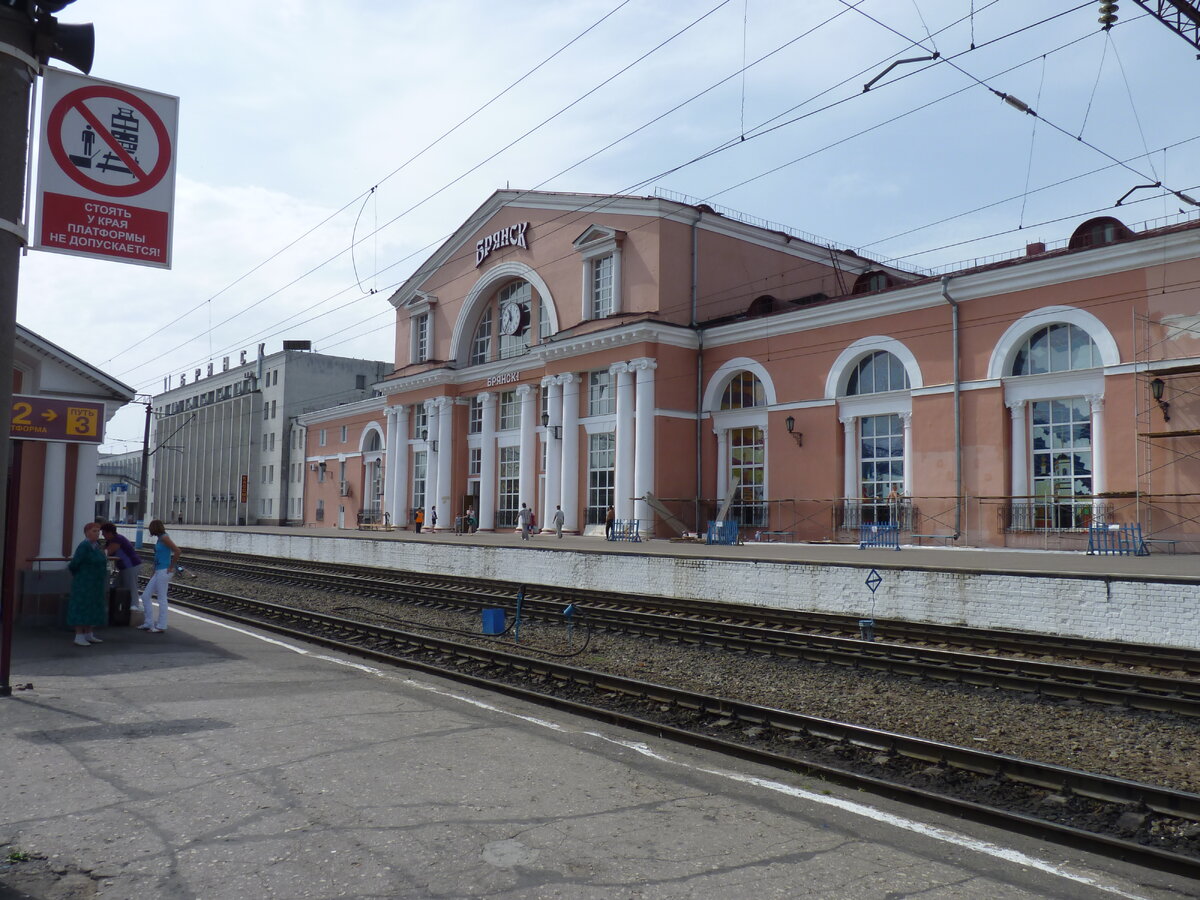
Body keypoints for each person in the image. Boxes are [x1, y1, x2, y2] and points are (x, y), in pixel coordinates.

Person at [67, 522, 107, 646]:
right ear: (87, 532)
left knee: (92, 607)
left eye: (98, 531)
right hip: (84, 583)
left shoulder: (96, 546)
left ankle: (89, 633)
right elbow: (74, 564)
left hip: (95, 584)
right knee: (81, 607)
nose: (97, 534)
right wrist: (82, 575)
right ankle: (79, 635)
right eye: (94, 531)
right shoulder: (84, 546)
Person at [138, 520, 180, 633]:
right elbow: (158, 557)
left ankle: (161, 625)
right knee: (145, 596)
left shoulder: (164, 538)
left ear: (154, 528)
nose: (149, 530)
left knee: (161, 598)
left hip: (164, 571)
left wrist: (171, 566)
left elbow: (177, 551)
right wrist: (153, 571)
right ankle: (148, 622)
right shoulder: (160, 538)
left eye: (150, 528)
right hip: (158, 571)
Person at [100, 521, 142, 610]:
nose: (102, 535)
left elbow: (107, 552)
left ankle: (134, 606)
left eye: (103, 533)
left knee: (130, 585)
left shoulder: (117, 539)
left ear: (109, 532)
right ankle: (117, 606)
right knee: (116, 585)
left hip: (131, 565)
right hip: (124, 567)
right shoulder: (110, 541)